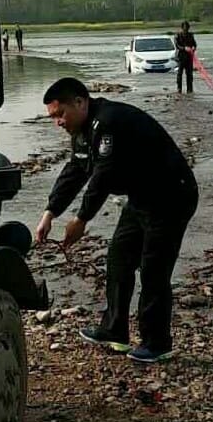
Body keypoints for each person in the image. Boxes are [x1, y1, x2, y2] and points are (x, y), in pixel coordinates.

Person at [35, 78, 198, 363]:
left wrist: (81, 219)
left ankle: (157, 343)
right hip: (142, 197)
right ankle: (115, 331)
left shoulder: (108, 123)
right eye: (53, 118)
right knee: (119, 259)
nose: (58, 122)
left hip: (172, 194)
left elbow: (103, 176)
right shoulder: (83, 131)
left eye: (60, 115)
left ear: (80, 102)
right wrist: (50, 212)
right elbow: (76, 170)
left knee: (153, 270)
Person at [175, 20, 197, 94]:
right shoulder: (177, 35)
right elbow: (177, 45)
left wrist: (194, 47)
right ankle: (179, 89)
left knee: (189, 74)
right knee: (179, 74)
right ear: (182, 28)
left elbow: (194, 44)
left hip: (189, 57)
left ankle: (190, 89)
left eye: (187, 28)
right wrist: (184, 48)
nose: (185, 29)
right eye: (184, 28)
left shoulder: (191, 35)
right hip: (181, 57)